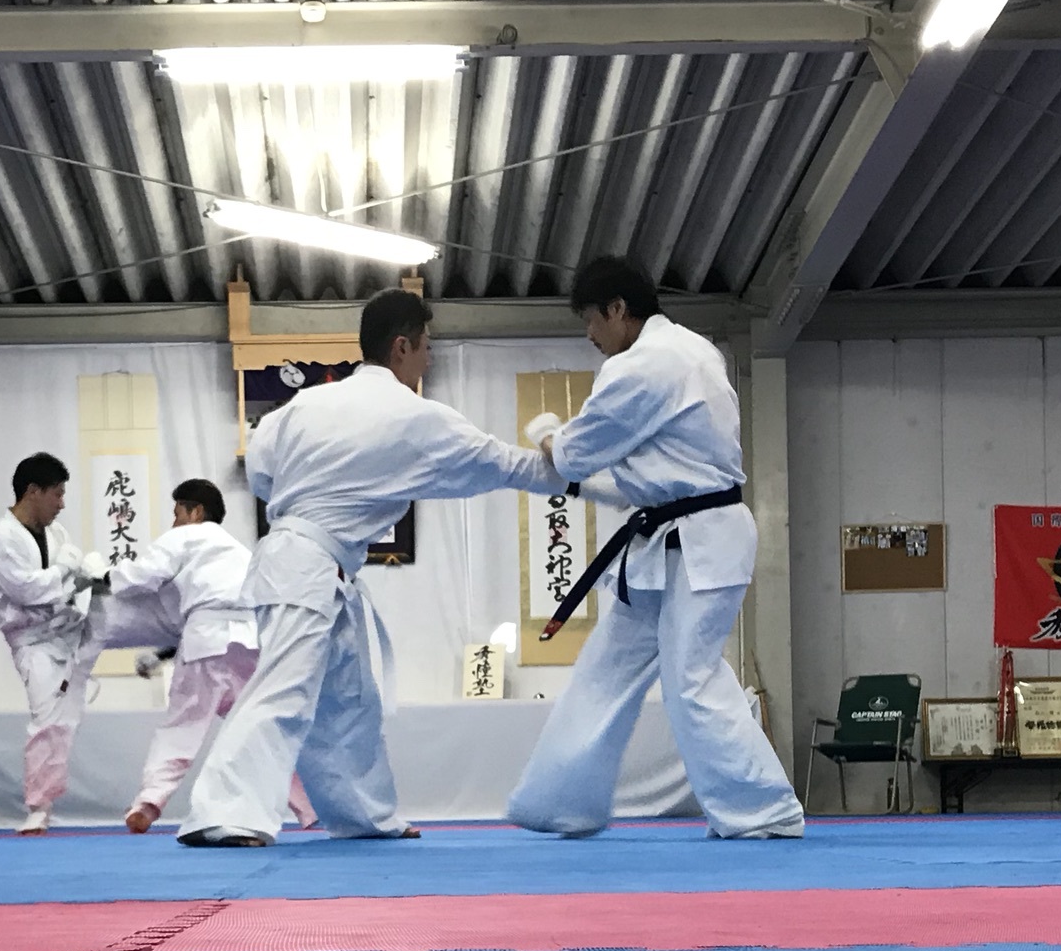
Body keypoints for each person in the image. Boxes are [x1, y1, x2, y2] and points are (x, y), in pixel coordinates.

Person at [180, 287, 555, 847]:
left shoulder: (300, 405)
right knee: (283, 690)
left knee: (349, 702)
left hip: (309, 564)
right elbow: (502, 464)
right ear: (402, 346)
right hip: (306, 567)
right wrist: (566, 462)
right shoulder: (415, 416)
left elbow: (260, 474)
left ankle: (364, 814)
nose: (429, 358)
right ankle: (223, 813)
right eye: (427, 346)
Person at [509, 256, 804, 840]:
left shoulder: (642, 366)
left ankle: (764, 811)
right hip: (667, 540)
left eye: (591, 320)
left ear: (618, 310)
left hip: (700, 540)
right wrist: (572, 475)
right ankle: (561, 801)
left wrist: (545, 435)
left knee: (690, 677)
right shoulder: (695, 351)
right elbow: (643, 479)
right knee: (606, 666)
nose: (590, 335)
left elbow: (573, 454)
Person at [105, 477, 317, 835]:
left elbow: (136, 579)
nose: (174, 521)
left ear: (195, 512)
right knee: (259, 730)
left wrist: (103, 576)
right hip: (249, 643)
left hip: (205, 641)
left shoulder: (185, 537)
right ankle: (308, 808)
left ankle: (147, 803)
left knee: (181, 728)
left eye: (177, 513)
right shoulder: (241, 550)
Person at [0, 451, 107, 834]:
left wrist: (83, 575)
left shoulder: (57, 535)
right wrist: (66, 569)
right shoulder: (0, 536)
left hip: (71, 628)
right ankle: (38, 807)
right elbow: (27, 590)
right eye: (57, 494)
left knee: (66, 721)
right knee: (48, 719)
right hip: (33, 641)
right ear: (33, 491)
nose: (62, 504)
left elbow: (71, 578)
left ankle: (162, 647)